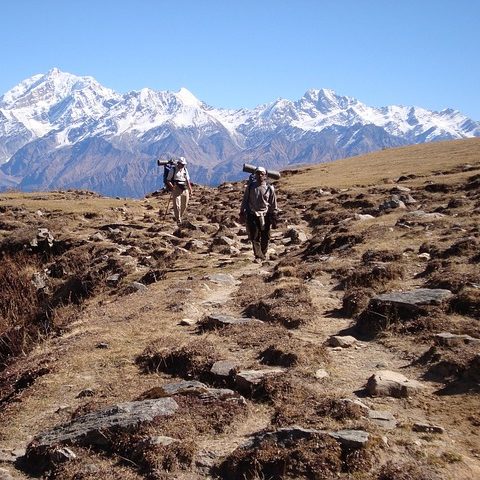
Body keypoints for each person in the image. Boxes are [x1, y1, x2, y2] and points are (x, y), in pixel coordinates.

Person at [239, 166, 278, 262]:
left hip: (266, 215)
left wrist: (274, 215)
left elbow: (273, 202)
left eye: (262, 174)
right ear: (255, 175)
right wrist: (242, 212)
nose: (260, 175)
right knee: (255, 236)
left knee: (266, 236)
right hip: (253, 214)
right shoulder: (250, 187)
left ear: (265, 176)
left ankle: (263, 253)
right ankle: (258, 256)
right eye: (258, 173)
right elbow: (245, 200)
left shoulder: (269, 188)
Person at [166, 157, 193, 225]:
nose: (183, 165)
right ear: (178, 163)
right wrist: (172, 187)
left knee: (184, 205)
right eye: (182, 164)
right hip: (176, 189)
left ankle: (179, 216)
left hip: (185, 189)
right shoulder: (173, 170)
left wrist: (190, 189)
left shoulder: (185, 170)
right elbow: (168, 180)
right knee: (177, 205)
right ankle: (178, 220)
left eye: (184, 164)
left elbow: (187, 180)